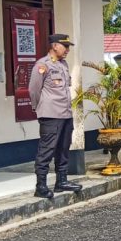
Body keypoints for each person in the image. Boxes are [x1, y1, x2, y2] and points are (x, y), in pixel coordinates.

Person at [29, 34, 83, 199]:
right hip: (51, 114)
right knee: (46, 150)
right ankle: (41, 185)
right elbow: (34, 90)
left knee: (63, 148)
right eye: (64, 46)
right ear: (54, 46)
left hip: (65, 113)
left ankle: (61, 181)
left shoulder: (63, 65)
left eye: (68, 47)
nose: (67, 50)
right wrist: (38, 107)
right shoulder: (42, 65)